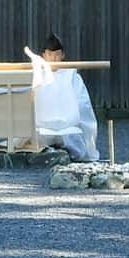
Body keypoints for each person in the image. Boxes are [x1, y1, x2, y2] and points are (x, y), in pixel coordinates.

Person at [31, 33, 100, 162]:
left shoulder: (71, 76)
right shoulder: (36, 76)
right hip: (41, 127)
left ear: (63, 55)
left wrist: (75, 121)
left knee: (73, 137)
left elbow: (83, 105)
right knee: (35, 137)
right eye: (50, 54)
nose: (54, 58)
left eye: (57, 54)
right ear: (43, 56)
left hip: (68, 127)